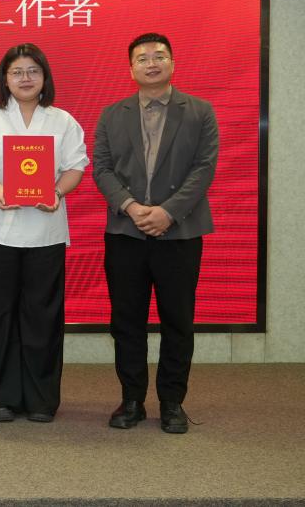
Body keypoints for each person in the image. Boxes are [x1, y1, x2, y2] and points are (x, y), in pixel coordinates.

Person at [93, 32, 218, 434]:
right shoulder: (112, 114)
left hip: (179, 233)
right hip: (125, 233)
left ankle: (172, 401)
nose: (151, 63)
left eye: (159, 56)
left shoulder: (199, 111)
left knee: (177, 320)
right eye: (142, 58)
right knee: (126, 320)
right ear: (131, 68)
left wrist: (168, 212)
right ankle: (131, 399)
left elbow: (204, 168)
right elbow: (102, 168)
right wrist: (131, 207)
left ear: (172, 63)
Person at [0, 43, 87, 423]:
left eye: (33, 71)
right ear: (5, 78)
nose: (25, 78)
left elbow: (76, 167)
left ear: (45, 77)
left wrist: (57, 192)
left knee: (42, 317)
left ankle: (40, 400)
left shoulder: (63, 121)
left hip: (46, 232)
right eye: (17, 72)